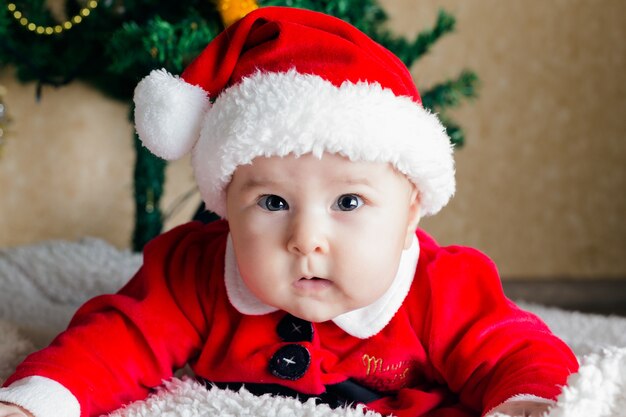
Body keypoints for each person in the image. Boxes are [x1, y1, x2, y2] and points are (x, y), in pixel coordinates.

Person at [0, 6, 578, 417]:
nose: (307, 239)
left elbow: (516, 351)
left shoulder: (440, 286)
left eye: (349, 201)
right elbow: (116, 341)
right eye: (272, 202)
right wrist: (41, 399)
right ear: (225, 205)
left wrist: (526, 402)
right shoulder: (195, 272)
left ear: (411, 214)